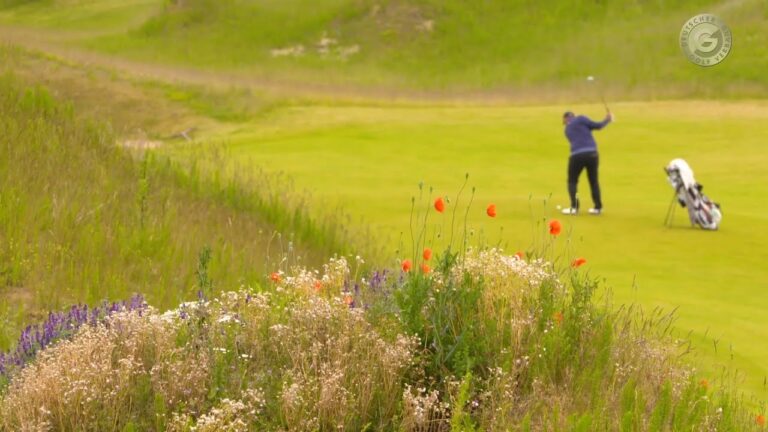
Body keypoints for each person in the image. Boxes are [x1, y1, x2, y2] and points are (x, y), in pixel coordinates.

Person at [561, 110, 613, 215]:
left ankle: (574, 207)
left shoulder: (567, 129)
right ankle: (598, 208)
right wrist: (607, 120)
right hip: (592, 154)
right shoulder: (581, 119)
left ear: (566, 118)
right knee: (593, 181)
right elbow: (598, 126)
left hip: (577, 155)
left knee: (572, 181)